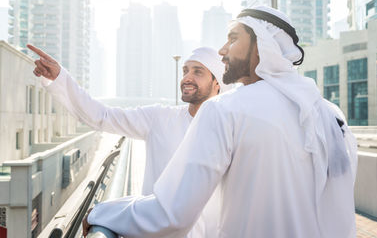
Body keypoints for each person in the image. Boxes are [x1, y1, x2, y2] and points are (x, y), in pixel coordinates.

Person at [82, 6, 358, 238]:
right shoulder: (331, 115)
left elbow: (172, 214)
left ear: (263, 46)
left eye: (233, 39)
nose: (222, 50)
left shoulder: (225, 109)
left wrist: (102, 212)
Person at [28, 45, 230, 238]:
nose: (187, 78)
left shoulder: (228, 130)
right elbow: (102, 116)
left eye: (198, 72)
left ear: (217, 82)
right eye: (185, 70)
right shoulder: (160, 118)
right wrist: (60, 78)